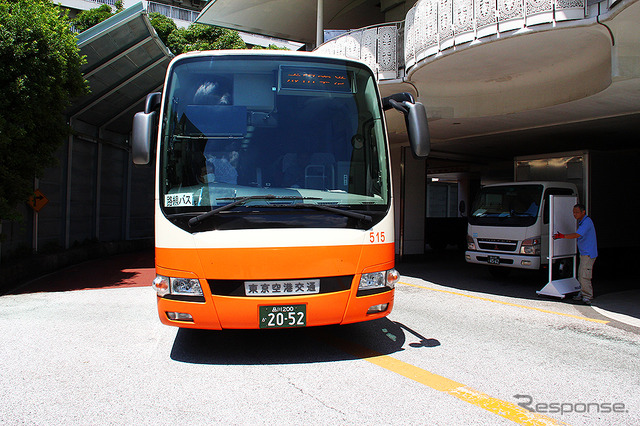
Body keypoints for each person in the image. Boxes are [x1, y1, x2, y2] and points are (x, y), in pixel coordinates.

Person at [553, 203, 598, 305]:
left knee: (584, 275)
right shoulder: (582, 222)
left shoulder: (587, 222)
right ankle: (582, 293)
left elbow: (577, 234)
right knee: (581, 274)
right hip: (584, 253)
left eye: (577, 212)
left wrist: (562, 236)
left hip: (588, 254)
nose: (574, 214)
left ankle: (587, 296)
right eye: (573, 212)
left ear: (583, 212)